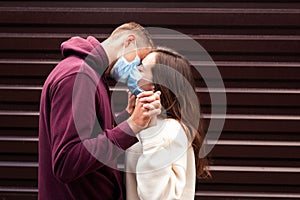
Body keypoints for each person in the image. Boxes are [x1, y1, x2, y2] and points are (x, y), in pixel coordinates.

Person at [38, 22, 161, 200]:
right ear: (129, 41)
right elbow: (67, 161)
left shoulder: (91, 74)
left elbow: (90, 138)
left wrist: (127, 115)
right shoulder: (77, 76)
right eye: (139, 62)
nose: (137, 73)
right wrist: (132, 126)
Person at [125, 47, 211, 200]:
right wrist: (131, 119)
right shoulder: (155, 125)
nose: (134, 72)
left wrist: (151, 132)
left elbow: (156, 196)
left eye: (142, 69)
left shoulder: (170, 130)